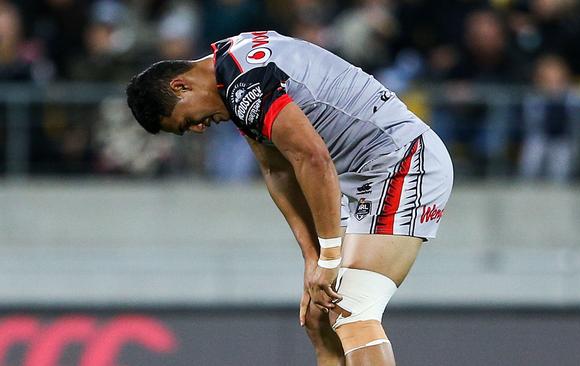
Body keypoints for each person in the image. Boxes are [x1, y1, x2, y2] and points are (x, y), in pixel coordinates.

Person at [126, 30, 453, 366]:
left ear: (180, 86)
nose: (198, 128)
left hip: (399, 160)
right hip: (362, 173)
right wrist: (313, 257)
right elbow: (277, 171)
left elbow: (312, 158)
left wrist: (328, 257)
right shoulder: (229, 70)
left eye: (187, 121)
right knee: (319, 314)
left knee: (352, 308)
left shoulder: (244, 85)